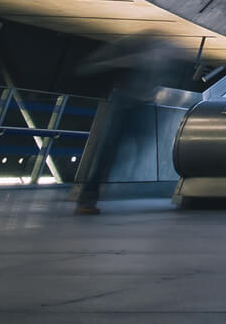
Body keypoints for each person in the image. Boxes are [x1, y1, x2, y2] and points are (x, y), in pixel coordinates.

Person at [73, 32, 196, 213]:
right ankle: (89, 196)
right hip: (125, 104)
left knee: (116, 149)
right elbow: (96, 65)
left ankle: (92, 194)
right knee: (110, 150)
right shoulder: (138, 52)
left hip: (138, 104)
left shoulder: (160, 57)